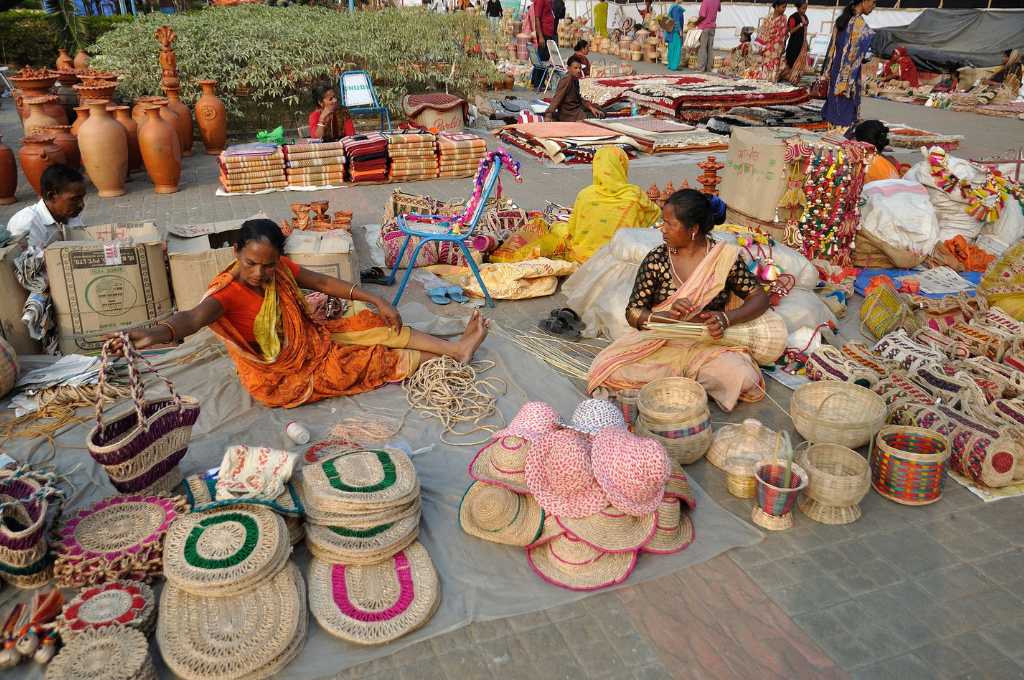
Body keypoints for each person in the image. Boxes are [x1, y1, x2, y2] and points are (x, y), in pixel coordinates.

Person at [116, 219, 490, 409]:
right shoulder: (226, 294)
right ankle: (450, 352)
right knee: (369, 361)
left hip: (311, 341)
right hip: (282, 375)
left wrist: (375, 299)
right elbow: (192, 318)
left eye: (268, 265)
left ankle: (457, 350)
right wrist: (158, 332)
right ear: (236, 253)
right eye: (251, 263)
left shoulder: (278, 271)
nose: (260, 274)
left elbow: (323, 282)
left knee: (373, 322)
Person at [588, 190, 770, 412]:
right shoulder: (657, 259)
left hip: (708, 345)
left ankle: (678, 384)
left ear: (692, 230)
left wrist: (727, 318)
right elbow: (634, 312)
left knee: (743, 378)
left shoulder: (723, 259)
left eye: (670, 224)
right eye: (663, 222)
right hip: (662, 342)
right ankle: (690, 385)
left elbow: (759, 297)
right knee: (611, 371)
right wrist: (661, 317)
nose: (662, 229)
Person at [821, 0, 876, 129]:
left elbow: (832, 48)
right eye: (873, 2)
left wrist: (826, 70)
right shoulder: (859, 23)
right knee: (846, 107)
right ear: (863, 1)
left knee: (835, 104)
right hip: (850, 74)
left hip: (836, 69)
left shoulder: (842, 20)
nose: (874, 6)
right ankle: (841, 133)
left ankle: (831, 130)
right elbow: (866, 50)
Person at [8, 164, 86, 250]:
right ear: (51, 196)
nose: (81, 205)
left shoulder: (70, 215)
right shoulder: (26, 224)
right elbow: (27, 261)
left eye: (82, 198)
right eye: (74, 199)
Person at [545, 55, 604, 122]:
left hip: (576, 110)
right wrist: (548, 114)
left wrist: (591, 107)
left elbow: (578, 98)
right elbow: (557, 98)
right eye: (575, 68)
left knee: (599, 109)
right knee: (600, 116)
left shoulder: (574, 79)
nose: (578, 70)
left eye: (580, 68)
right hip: (570, 114)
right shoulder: (567, 80)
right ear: (568, 68)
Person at [746, 0, 788, 82]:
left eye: (785, 7)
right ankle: (763, 78)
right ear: (776, 6)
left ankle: (771, 79)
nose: (784, 9)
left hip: (776, 47)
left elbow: (782, 34)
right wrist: (762, 43)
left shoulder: (783, 19)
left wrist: (780, 45)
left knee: (773, 63)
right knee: (764, 62)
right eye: (783, 7)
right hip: (765, 45)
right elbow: (762, 30)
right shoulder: (768, 17)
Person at [781, 1, 810, 85]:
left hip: (802, 43)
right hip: (794, 44)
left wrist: (806, 42)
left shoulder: (805, 17)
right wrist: (800, 25)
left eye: (806, 8)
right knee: (792, 61)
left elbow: (804, 32)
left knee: (801, 64)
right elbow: (791, 31)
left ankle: (795, 80)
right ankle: (789, 79)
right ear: (798, 8)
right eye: (803, 8)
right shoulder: (793, 17)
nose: (804, 10)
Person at [694, 0, 720, 73]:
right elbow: (719, 9)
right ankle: (709, 68)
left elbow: (702, 15)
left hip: (704, 27)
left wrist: (696, 23)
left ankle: (701, 68)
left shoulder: (705, 1)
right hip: (712, 27)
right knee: (710, 48)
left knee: (703, 48)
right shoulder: (717, 1)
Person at [662, 2, 685, 71]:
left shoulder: (672, 7)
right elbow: (676, 20)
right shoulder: (676, 8)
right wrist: (680, 30)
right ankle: (674, 66)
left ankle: (670, 65)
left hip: (670, 32)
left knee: (671, 48)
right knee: (676, 49)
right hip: (675, 32)